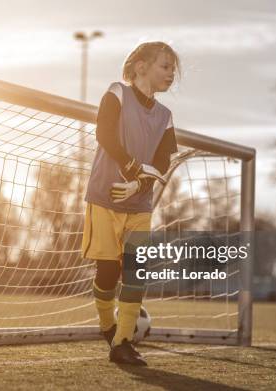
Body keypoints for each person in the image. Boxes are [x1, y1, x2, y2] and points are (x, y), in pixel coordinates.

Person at [81, 41, 180, 366]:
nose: (171, 74)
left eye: (173, 69)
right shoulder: (117, 93)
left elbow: (164, 161)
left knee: (137, 271)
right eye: (165, 66)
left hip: (140, 205)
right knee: (108, 269)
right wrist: (133, 168)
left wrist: (140, 182)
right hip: (105, 198)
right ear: (141, 67)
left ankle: (122, 343)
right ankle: (107, 326)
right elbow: (104, 135)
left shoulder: (165, 116)